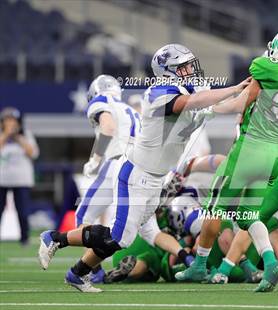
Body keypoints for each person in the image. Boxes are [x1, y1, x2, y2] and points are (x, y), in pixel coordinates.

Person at [38, 43, 250, 292]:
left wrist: (255, 90)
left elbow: (228, 106)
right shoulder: (158, 93)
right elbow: (193, 101)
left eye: (191, 65)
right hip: (137, 174)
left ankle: (77, 273)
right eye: (184, 67)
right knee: (119, 236)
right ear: (167, 71)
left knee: (122, 238)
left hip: (157, 178)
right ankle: (54, 238)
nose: (191, 70)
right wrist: (233, 88)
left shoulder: (190, 91)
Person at [176, 28, 278, 292]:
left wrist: (207, 110)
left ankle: (198, 265)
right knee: (248, 214)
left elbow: (238, 104)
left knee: (213, 207)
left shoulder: (269, 68)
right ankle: (270, 263)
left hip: (249, 148)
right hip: (273, 154)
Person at [0, 107, 39, 245]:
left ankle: (24, 239)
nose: (11, 123)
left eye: (13, 120)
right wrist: (5, 135)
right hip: (2, 179)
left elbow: (33, 153)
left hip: (21, 180)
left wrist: (18, 138)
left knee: (22, 211)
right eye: (7, 120)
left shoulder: (26, 135)